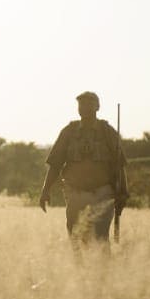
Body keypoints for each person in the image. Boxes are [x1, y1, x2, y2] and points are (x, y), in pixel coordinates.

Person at [39, 91, 128, 245]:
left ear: (97, 107)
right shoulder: (69, 131)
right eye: (81, 104)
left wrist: (123, 193)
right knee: (75, 237)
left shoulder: (107, 132)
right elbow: (55, 164)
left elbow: (119, 165)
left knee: (100, 239)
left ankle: (103, 269)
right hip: (75, 194)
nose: (84, 107)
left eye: (89, 103)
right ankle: (79, 269)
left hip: (102, 193)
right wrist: (45, 190)